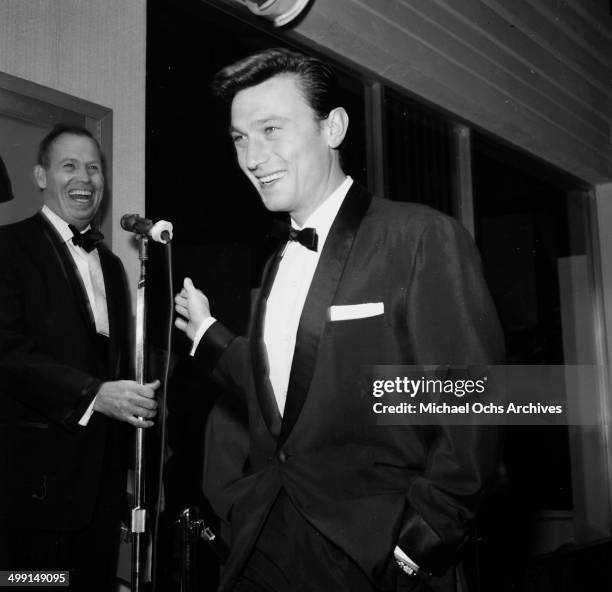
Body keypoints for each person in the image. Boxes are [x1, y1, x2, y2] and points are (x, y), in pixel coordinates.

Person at [174, 48, 504, 592]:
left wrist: (418, 546)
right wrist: (211, 338)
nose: (254, 157)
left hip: (374, 555)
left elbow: (476, 406)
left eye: (271, 129)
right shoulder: (278, 261)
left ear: (334, 128)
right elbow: (294, 395)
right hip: (270, 537)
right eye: (240, 138)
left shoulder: (420, 237)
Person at [0, 124, 159, 590]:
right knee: (32, 584)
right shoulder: (7, 248)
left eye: (94, 167)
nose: (84, 178)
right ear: (41, 176)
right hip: (33, 482)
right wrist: (93, 395)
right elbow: (6, 351)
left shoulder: (112, 264)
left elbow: (110, 362)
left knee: (91, 582)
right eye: (69, 165)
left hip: (101, 483)